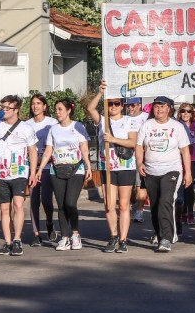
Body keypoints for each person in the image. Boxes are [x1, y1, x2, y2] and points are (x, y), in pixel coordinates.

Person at [135, 96, 192, 253]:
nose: (158, 109)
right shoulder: (147, 126)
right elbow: (139, 147)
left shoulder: (177, 126)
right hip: (151, 171)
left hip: (172, 170)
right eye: (156, 107)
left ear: (169, 108)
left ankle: (167, 238)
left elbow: (185, 151)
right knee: (154, 206)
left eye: (162, 106)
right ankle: (161, 237)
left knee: (165, 201)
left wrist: (188, 173)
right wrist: (139, 163)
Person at [0, 95, 38, 256]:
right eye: (2, 107)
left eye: (8, 108)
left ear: (17, 110)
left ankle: (17, 240)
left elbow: (32, 151)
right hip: (1, 172)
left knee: (18, 205)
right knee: (4, 208)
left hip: (19, 172)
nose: (4, 111)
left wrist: (33, 173)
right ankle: (7, 242)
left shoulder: (26, 128)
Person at [86, 81, 138, 253]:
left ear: (122, 105)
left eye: (117, 103)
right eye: (110, 103)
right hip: (106, 166)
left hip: (125, 166)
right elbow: (90, 109)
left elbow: (132, 142)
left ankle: (123, 239)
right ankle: (113, 236)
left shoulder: (129, 121)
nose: (113, 106)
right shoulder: (102, 121)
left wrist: (114, 140)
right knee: (109, 204)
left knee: (123, 205)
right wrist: (101, 94)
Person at [35, 100, 92, 252]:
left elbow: (84, 148)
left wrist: (88, 166)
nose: (58, 112)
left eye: (60, 109)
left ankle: (75, 234)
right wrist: (40, 169)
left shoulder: (77, 126)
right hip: (57, 169)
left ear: (68, 111)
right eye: (56, 109)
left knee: (70, 203)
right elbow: (48, 151)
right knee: (61, 205)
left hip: (76, 169)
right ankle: (65, 237)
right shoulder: (53, 129)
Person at [26, 94, 58, 246]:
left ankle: (50, 222)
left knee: (46, 199)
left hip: (47, 167)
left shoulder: (52, 123)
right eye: (33, 103)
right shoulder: (26, 124)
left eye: (38, 103)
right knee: (33, 201)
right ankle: (36, 234)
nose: (35, 106)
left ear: (45, 106)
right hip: (31, 167)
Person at [175, 103, 195, 228]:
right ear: (180, 113)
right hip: (179, 158)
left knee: (189, 186)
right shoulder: (176, 125)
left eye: (188, 111)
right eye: (183, 111)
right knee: (180, 187)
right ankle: (181, 213)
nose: (186, 113)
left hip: (192, 158)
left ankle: (190, 212)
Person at [124, 97, 150, 223]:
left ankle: (139, 211)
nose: (130, 108)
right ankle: (134, 204)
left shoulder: (147, 117)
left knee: (140, 185)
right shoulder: (125, 119)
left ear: (139, 105)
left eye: (132, 105)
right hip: (127, 157)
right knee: (130, 187)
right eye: (128, 106)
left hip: (143, 156)